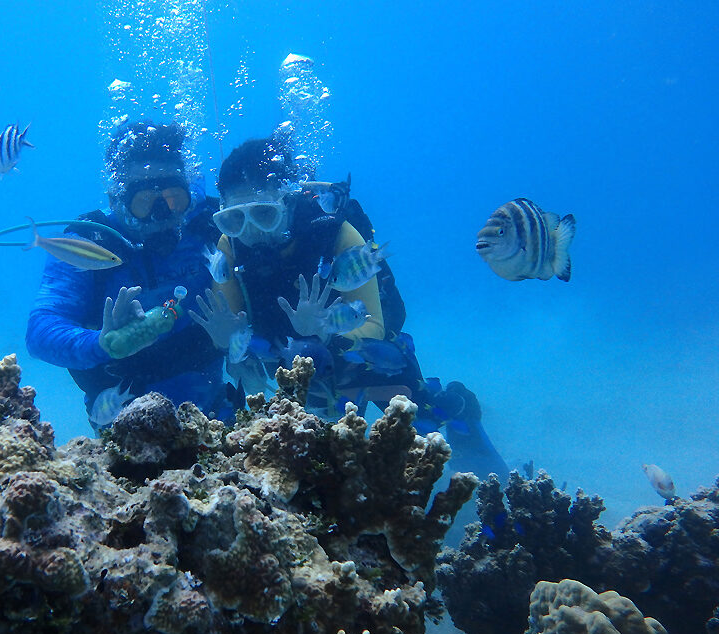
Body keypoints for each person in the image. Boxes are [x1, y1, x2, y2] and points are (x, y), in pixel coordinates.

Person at [192, 135, 509, 477]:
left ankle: (460, 407)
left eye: (264, 214)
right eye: (234, 220)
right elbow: (232, 326)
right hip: (286, 357)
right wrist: (224, 341)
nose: (251, 232)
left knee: (421, 419)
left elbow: (374, 323)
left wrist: (324, 332)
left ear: (289, 202)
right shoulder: (227, 248)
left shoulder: (338, 235)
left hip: (355, 349)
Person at [26, 121, 229, 429]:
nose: (163, 213)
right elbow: (40, 332)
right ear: (116, 200)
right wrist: (102, 343)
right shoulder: (89, 244)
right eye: (144, 201)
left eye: (174, 198)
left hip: (214, 415)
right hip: (123, 427)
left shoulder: (208, 224)